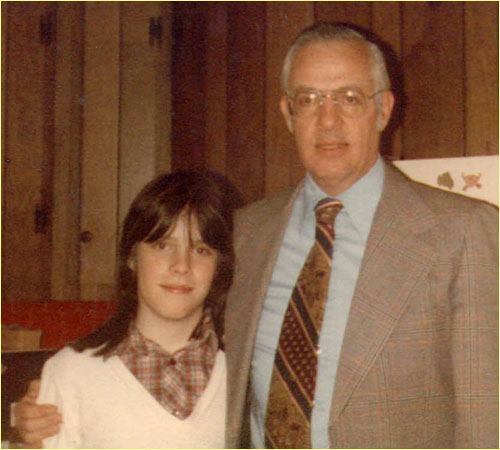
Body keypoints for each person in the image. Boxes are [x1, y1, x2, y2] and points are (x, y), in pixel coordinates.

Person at [14, 23, 499, 449]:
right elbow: (172, 345)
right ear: (287, 113)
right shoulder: (247, 232)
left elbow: (487, 422)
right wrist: (48, 404)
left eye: (349, 98)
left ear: (384, 109)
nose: (328, 120)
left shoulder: (462, 233)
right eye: (309, 100)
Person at [19, 170, 236, 448]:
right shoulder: (71, 374)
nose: (181, 265)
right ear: (132, 257)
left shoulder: (243, 374)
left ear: (219, 267)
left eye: (201, 250)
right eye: (162, 245)